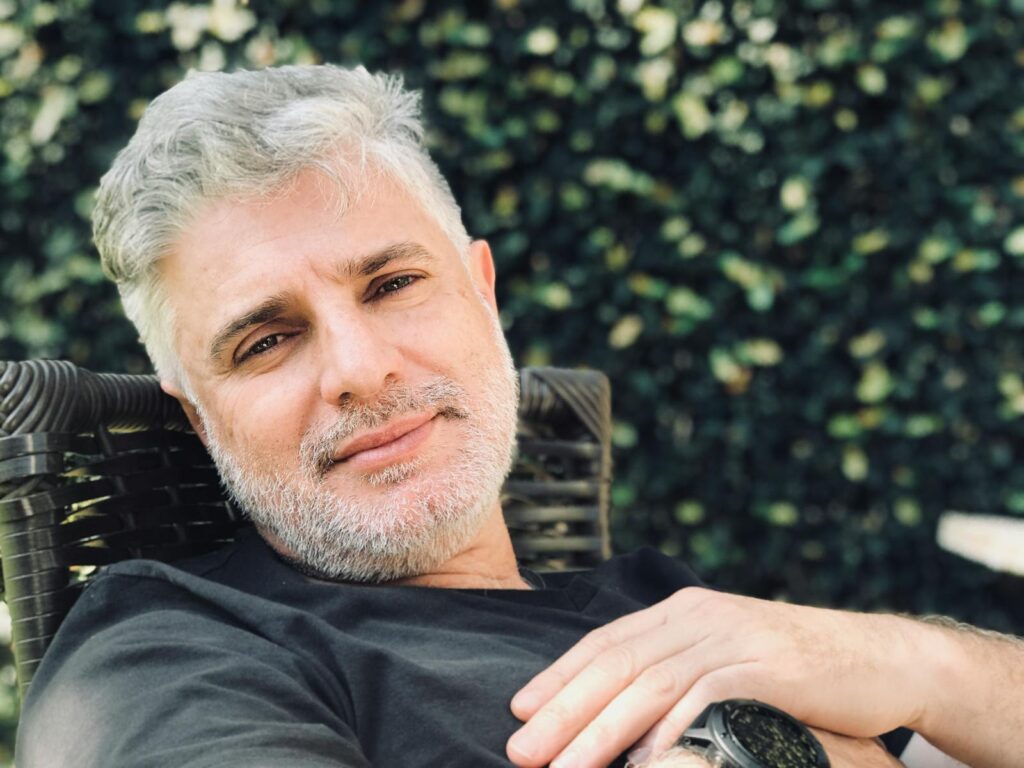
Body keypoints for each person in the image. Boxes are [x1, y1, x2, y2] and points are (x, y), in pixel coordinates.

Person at [14, 65, 1022, 768]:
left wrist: (916, 664)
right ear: (197, 418)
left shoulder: (663, 609)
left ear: (481, 295)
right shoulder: (165, 655)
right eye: (264, 342)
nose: (359, 370)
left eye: (395, 283)